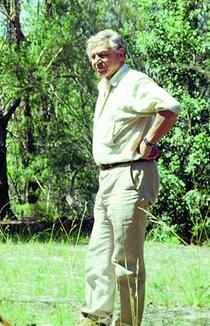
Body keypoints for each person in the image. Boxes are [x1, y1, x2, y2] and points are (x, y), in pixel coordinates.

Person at [77, 29, 181, 326]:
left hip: (131, 174)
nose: (97, 60)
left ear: (120, 54)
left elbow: (170, 108)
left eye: (103, 54)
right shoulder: (105, 86)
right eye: (94, 56)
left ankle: (128, 323)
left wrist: (149, 141)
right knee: (98, 256)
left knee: (126, 261)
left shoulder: (133, 81)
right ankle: (95, 318)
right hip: (107, 178)